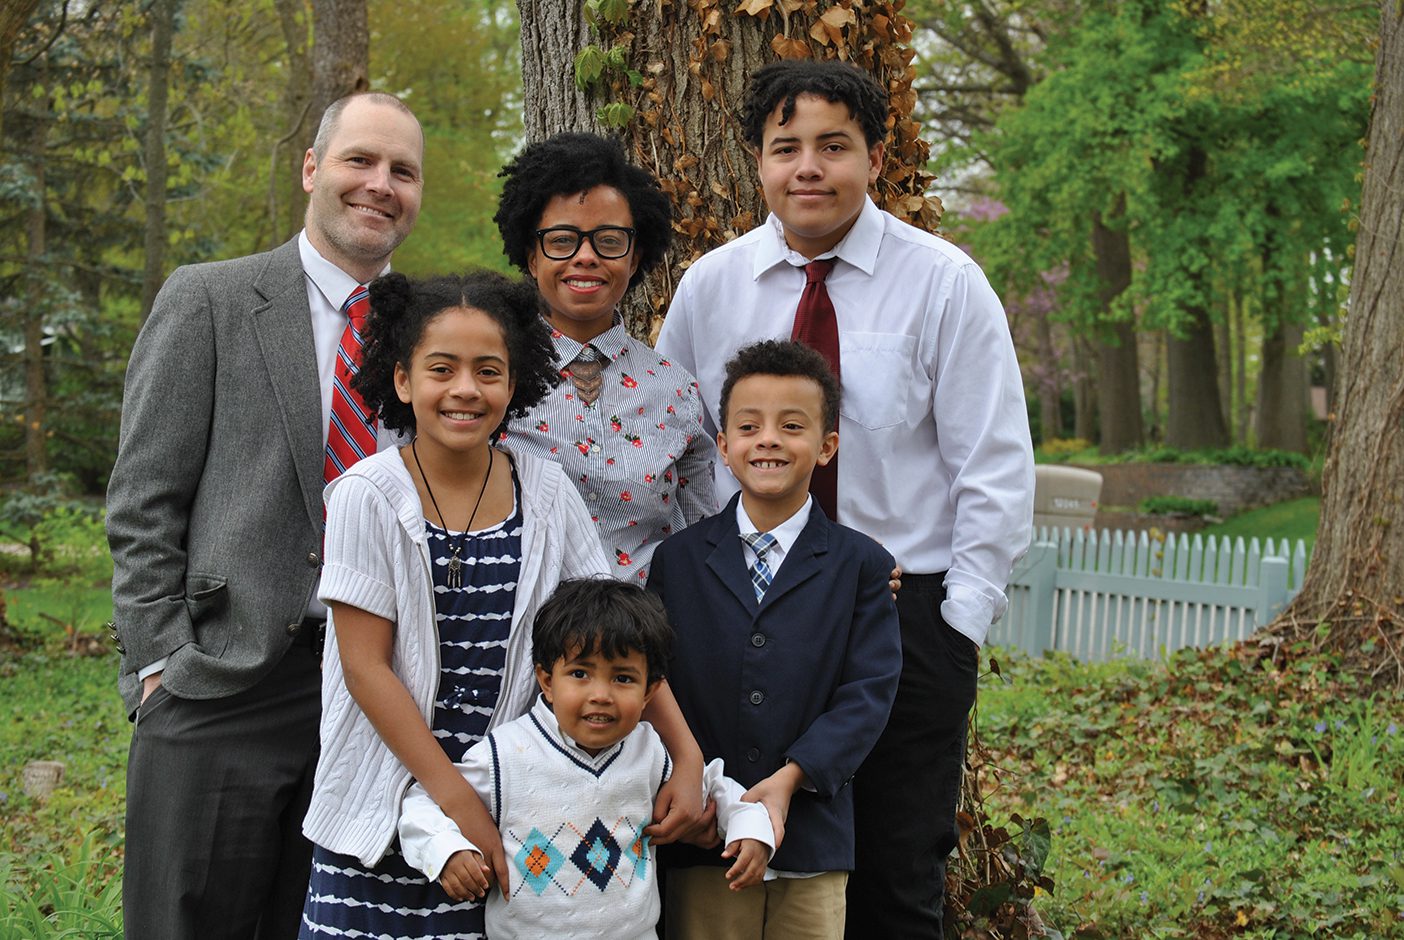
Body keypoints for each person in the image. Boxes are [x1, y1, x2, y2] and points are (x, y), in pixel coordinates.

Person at [655, 61, 1035, 935]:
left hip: (904, 615)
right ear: (758, 163)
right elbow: (678, 457)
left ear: (874, 156)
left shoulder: (942, 283)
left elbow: (995, 464)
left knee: (899, 873)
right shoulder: (713, 288)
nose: (808, 169)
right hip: (742, 610)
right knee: (740, 864)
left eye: (834, 146)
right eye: (785, 148)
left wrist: (958, 624)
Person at [298, 271, 705, 937]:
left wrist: (684, 756)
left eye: (489, 371)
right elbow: (364, 669)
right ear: (402, 380)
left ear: (514, 385)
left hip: (515, 817)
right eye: (442, 368)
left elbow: (613, 635)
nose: (465, 389)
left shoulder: (544, 490)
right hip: (384, 805)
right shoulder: (365, 494)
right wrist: (455, 801)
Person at [107, 91, 425, 938]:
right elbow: (144, 497)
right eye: (360, 160)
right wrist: (158, 662)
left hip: (374, 689)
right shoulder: (210, 299)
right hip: (222, 678)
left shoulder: (432, 328)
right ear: (313, 168)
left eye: (403, 170)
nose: (380, 184)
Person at [647, 340, 902, 938]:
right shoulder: (678, 561)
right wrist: (699, 787)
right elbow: (660, 682)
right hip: (707, 833)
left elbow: (869, 693)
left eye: (792, 426)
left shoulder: (861, 565)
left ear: (826, 446)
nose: (768, 440)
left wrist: (791, 780)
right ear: (725, 448)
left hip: (813, 835)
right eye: (748, 426)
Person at [398, 578, 776, 939]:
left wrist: (752, 829)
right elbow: (422, 803)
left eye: (623, 678)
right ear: (547, 681)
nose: (601, 694)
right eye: (580, 673)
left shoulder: (650, 753)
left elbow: (717, 788)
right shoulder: (506, 755)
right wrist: (447, 851)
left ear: (651, 691)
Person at [495, 132, 715, 582]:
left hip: (646, 638)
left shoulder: (676, 389)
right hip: (516, 636)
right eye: (562, 241)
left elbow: (703, 541)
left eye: (609, 241)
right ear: (531, 256)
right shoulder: (489, 377)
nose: (586, 257)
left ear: (634, 258)